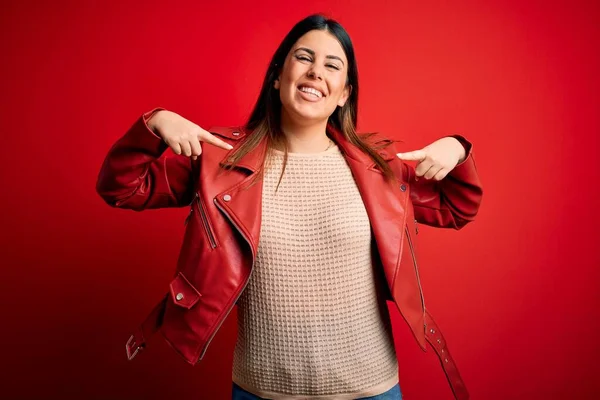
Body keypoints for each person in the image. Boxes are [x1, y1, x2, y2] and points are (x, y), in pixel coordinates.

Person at [96, 14, 482, 400]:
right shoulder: (219, 161)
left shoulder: (378, 167)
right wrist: (156, 123)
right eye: (304, 58)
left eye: (332, 65)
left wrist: (458, 148)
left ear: (344, 93)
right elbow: (122, 188)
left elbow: (457, 207)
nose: (316, 72)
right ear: (278, 76)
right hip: (261, 392)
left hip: (371, 390)